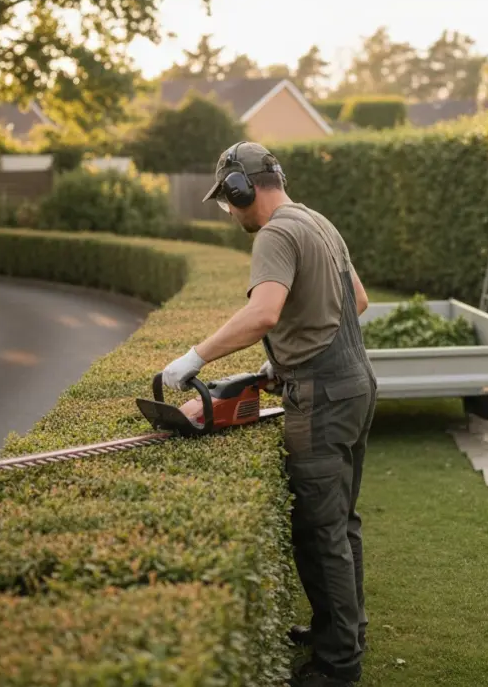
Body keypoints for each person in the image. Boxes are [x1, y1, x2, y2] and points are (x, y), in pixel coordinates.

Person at [158, 141, 376, 687]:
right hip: (356, 384)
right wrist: (283, 355)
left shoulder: (277, 233)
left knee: (318, 531)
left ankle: (337, 665)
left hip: (322, 397)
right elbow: (359, 301)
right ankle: (345, 631)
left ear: (241, 189)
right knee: (341, 524)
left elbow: (264, 312)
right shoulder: (319, 223)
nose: (229, 212)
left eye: (227, 200)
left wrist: (193, 358)